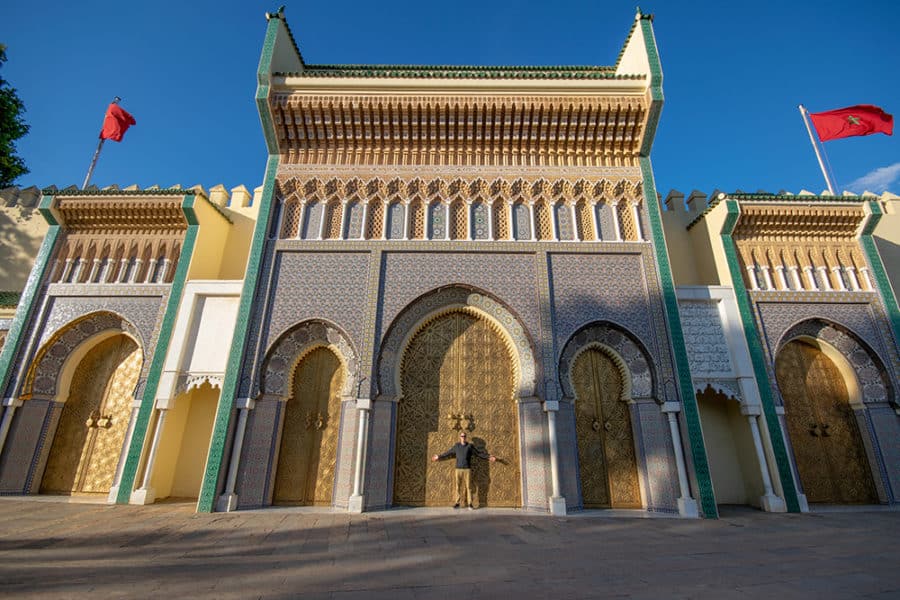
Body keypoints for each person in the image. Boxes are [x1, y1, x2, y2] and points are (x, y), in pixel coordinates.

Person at [431, 431, 496, 509]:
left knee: (468, 487)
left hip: (467, 469)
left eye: (464, 436)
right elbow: (448, 453)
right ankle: (457, 503)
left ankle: (470, 504)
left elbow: (478, 453)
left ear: (466, 437)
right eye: (462, 436)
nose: (463, 437)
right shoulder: (456, 446)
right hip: (458, 469)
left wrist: (488, 457)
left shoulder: (470, 446)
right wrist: (439, 456)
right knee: (458, 487)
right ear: (460, 437)